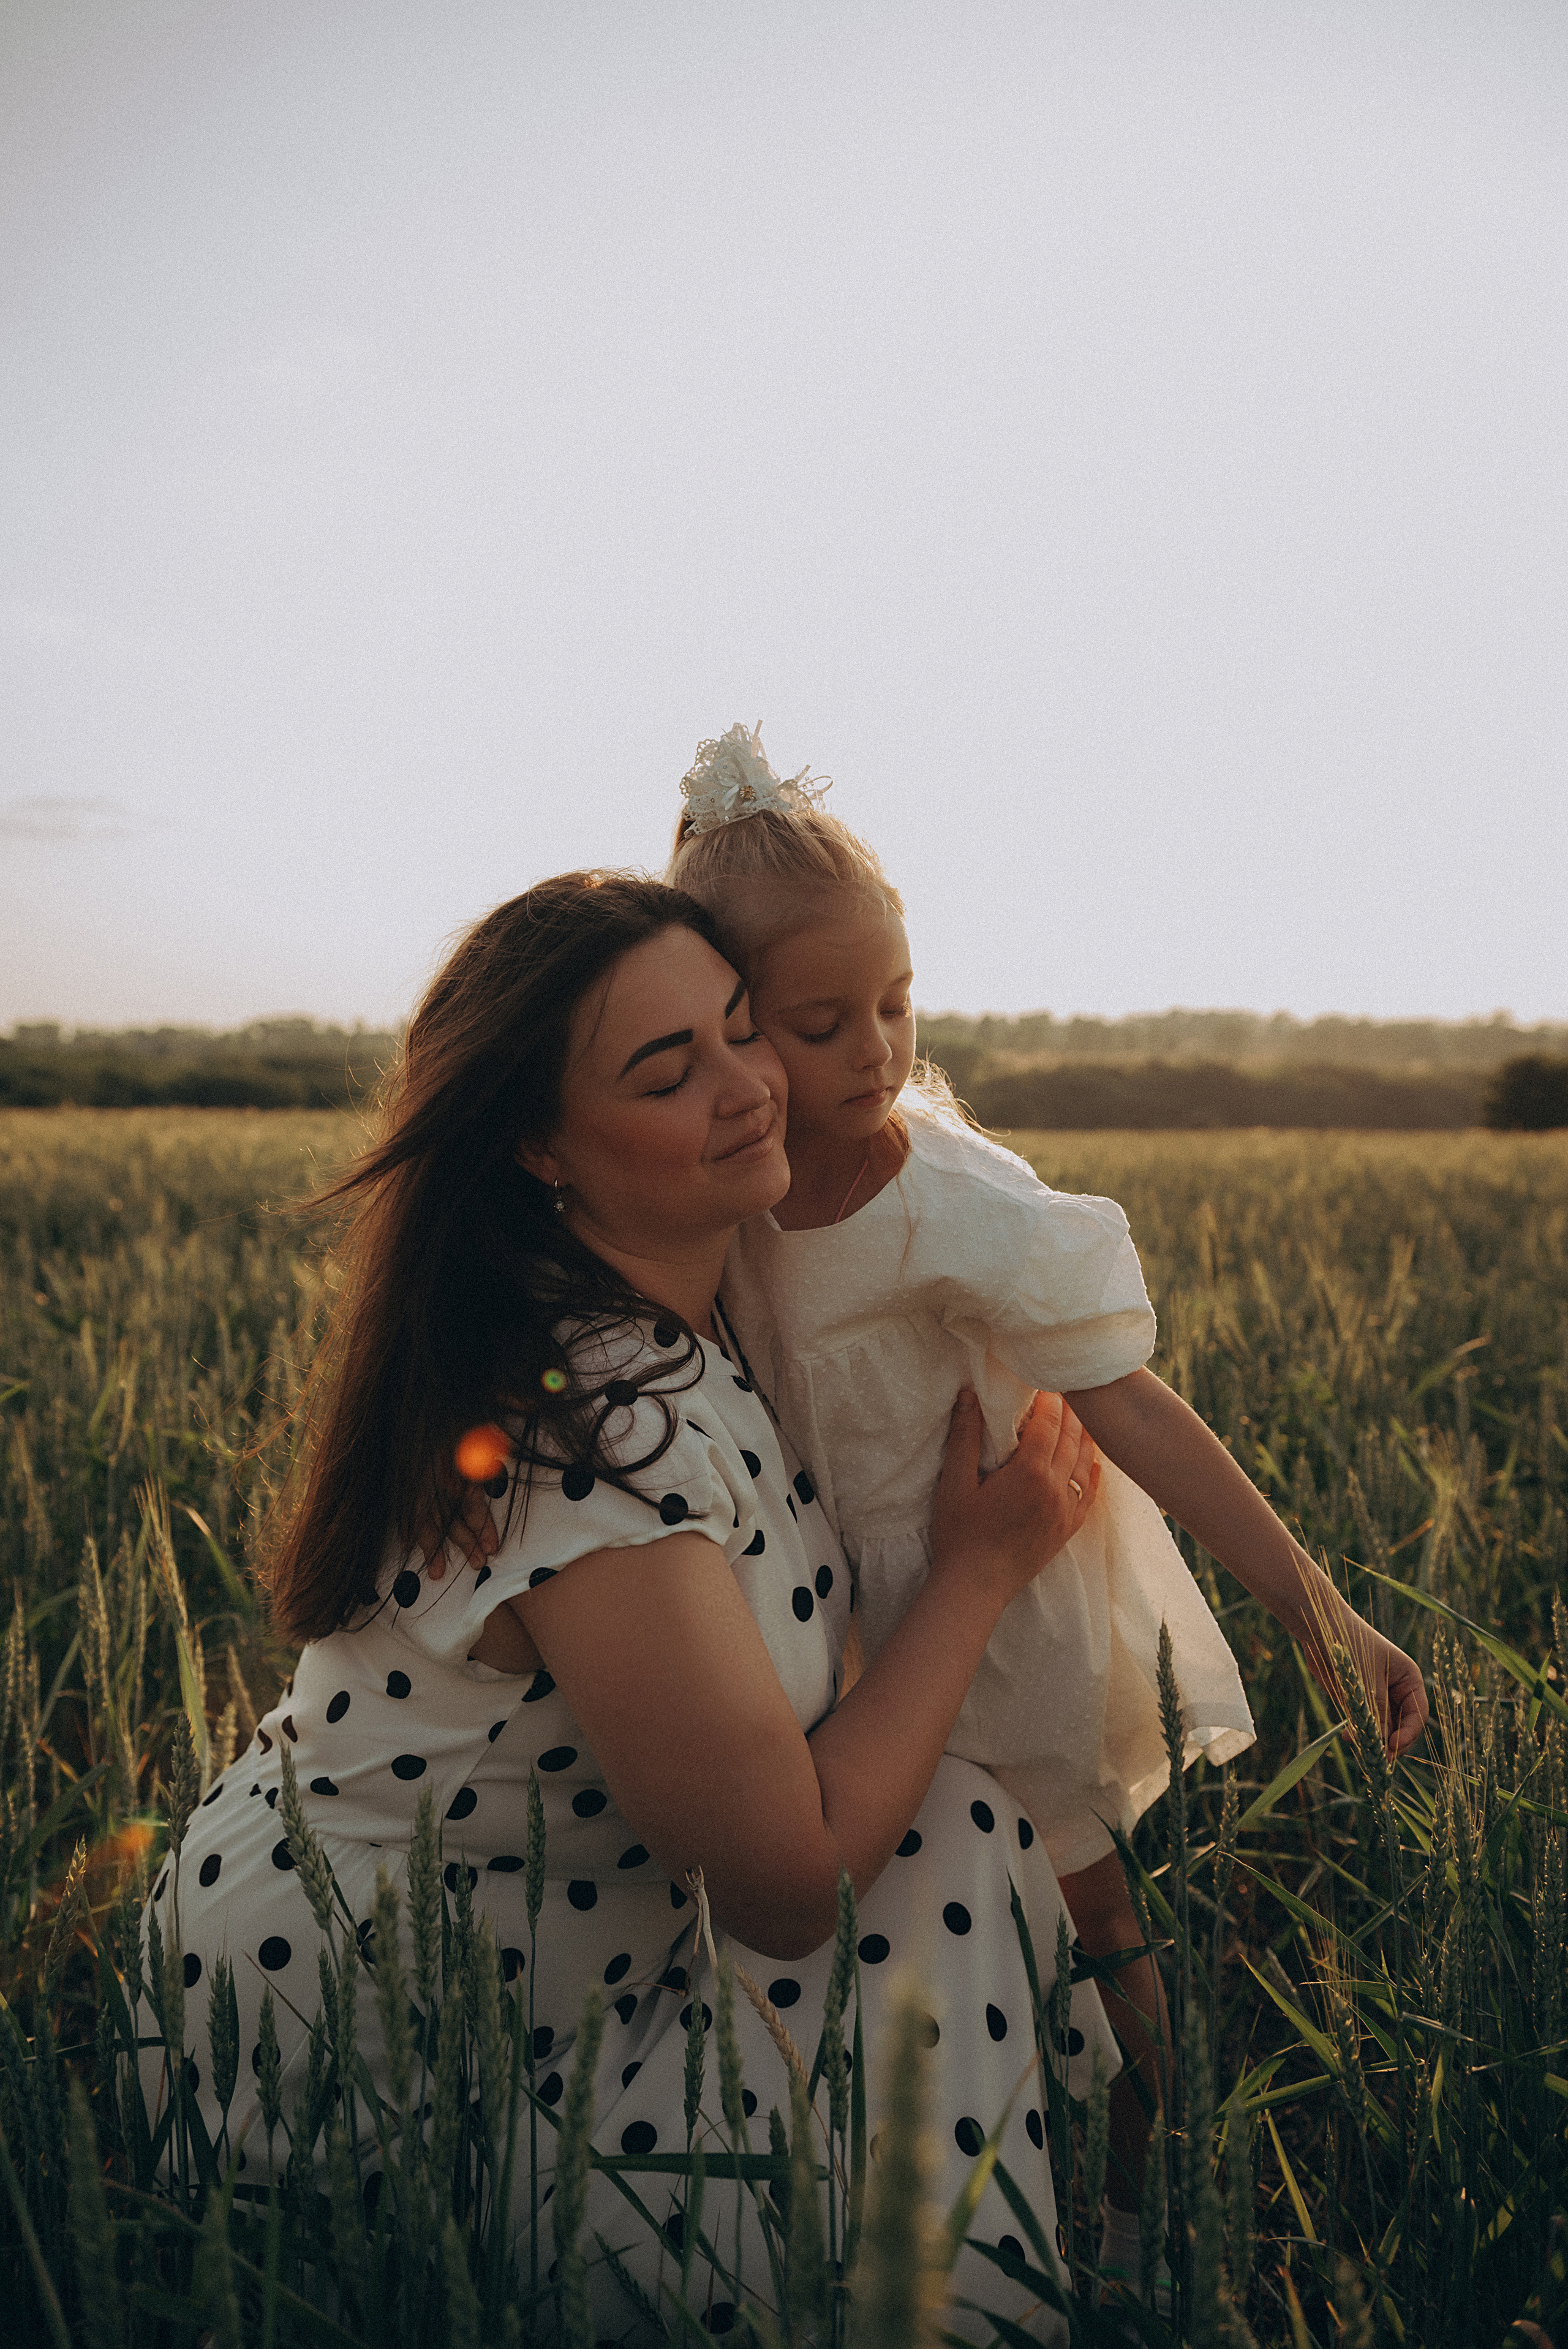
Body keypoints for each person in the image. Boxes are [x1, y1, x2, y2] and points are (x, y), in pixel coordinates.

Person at [141, 870, 1118, 2341]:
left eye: (740, 1026)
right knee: (944, 1836)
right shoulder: (588, 1422)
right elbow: (787, 1884)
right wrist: (978, 1573)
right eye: (667, 1072)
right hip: (382, 2069)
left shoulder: (691, 1297)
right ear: (537, 1144)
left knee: (951, 1821)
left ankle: (1044, 2227)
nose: (748, 1084)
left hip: (542, 1965)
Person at [654, 722, 1430, 2294]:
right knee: (886, 1914)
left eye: (895, 1002)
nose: (874, 1049)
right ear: (731, 1026)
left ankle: (1142, 2227)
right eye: (819, 1022)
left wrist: (1317, 1607)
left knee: (1094, 1925)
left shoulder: (955, 1204)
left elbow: (1132, 1407)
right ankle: (897, 2188)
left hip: (999, 1618)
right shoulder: (731, 1188)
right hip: (826, 1610)